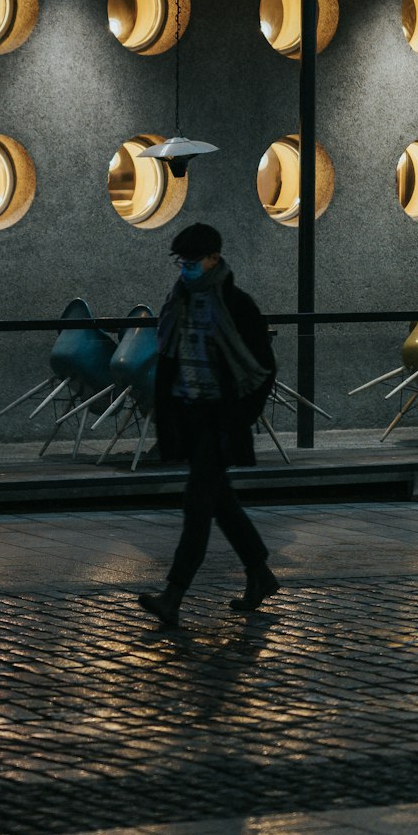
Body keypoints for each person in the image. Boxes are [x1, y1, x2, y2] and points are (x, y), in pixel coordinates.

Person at [138, 222, 279, 627]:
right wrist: (166, 419)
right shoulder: (177, 302)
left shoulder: (237, 306)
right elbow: (168, 362)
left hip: (220, 419)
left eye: (194, 262)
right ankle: (260, 573)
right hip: (191, 416)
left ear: (214, 258)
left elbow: (263, 367)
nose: (186, 269)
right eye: (182, 262)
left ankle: (174, 595)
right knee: (220, 502)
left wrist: (239, 416)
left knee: (197, 505)